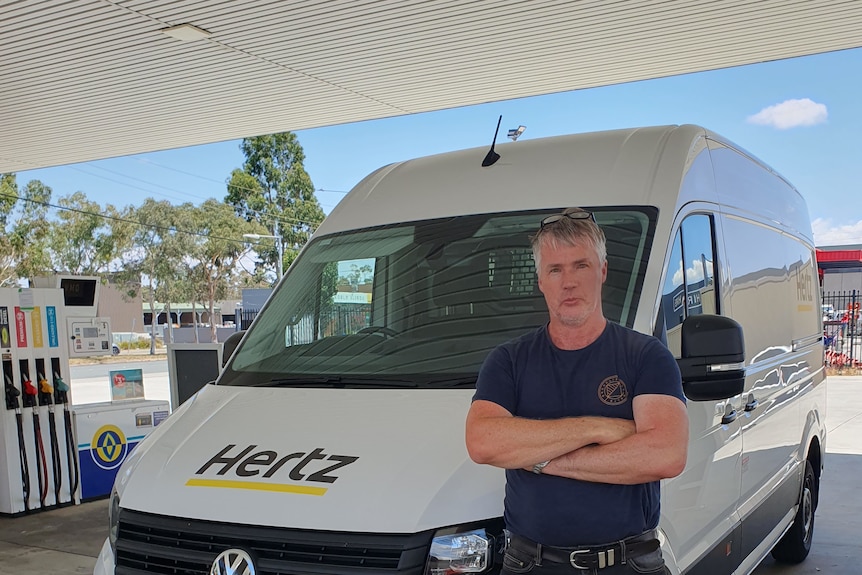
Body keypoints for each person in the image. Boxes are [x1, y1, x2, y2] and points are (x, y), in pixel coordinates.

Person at [465, 207, 689, 575]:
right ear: (540, 280)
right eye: (555, 269)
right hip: (529, 564)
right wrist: (596, 428)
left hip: (627, 563)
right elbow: (483, 442)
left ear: (602, 271)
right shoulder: (508, 361)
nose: (568, 282)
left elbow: (666, 454)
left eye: (580, 266)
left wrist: (540, 459)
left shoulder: (646, 355)